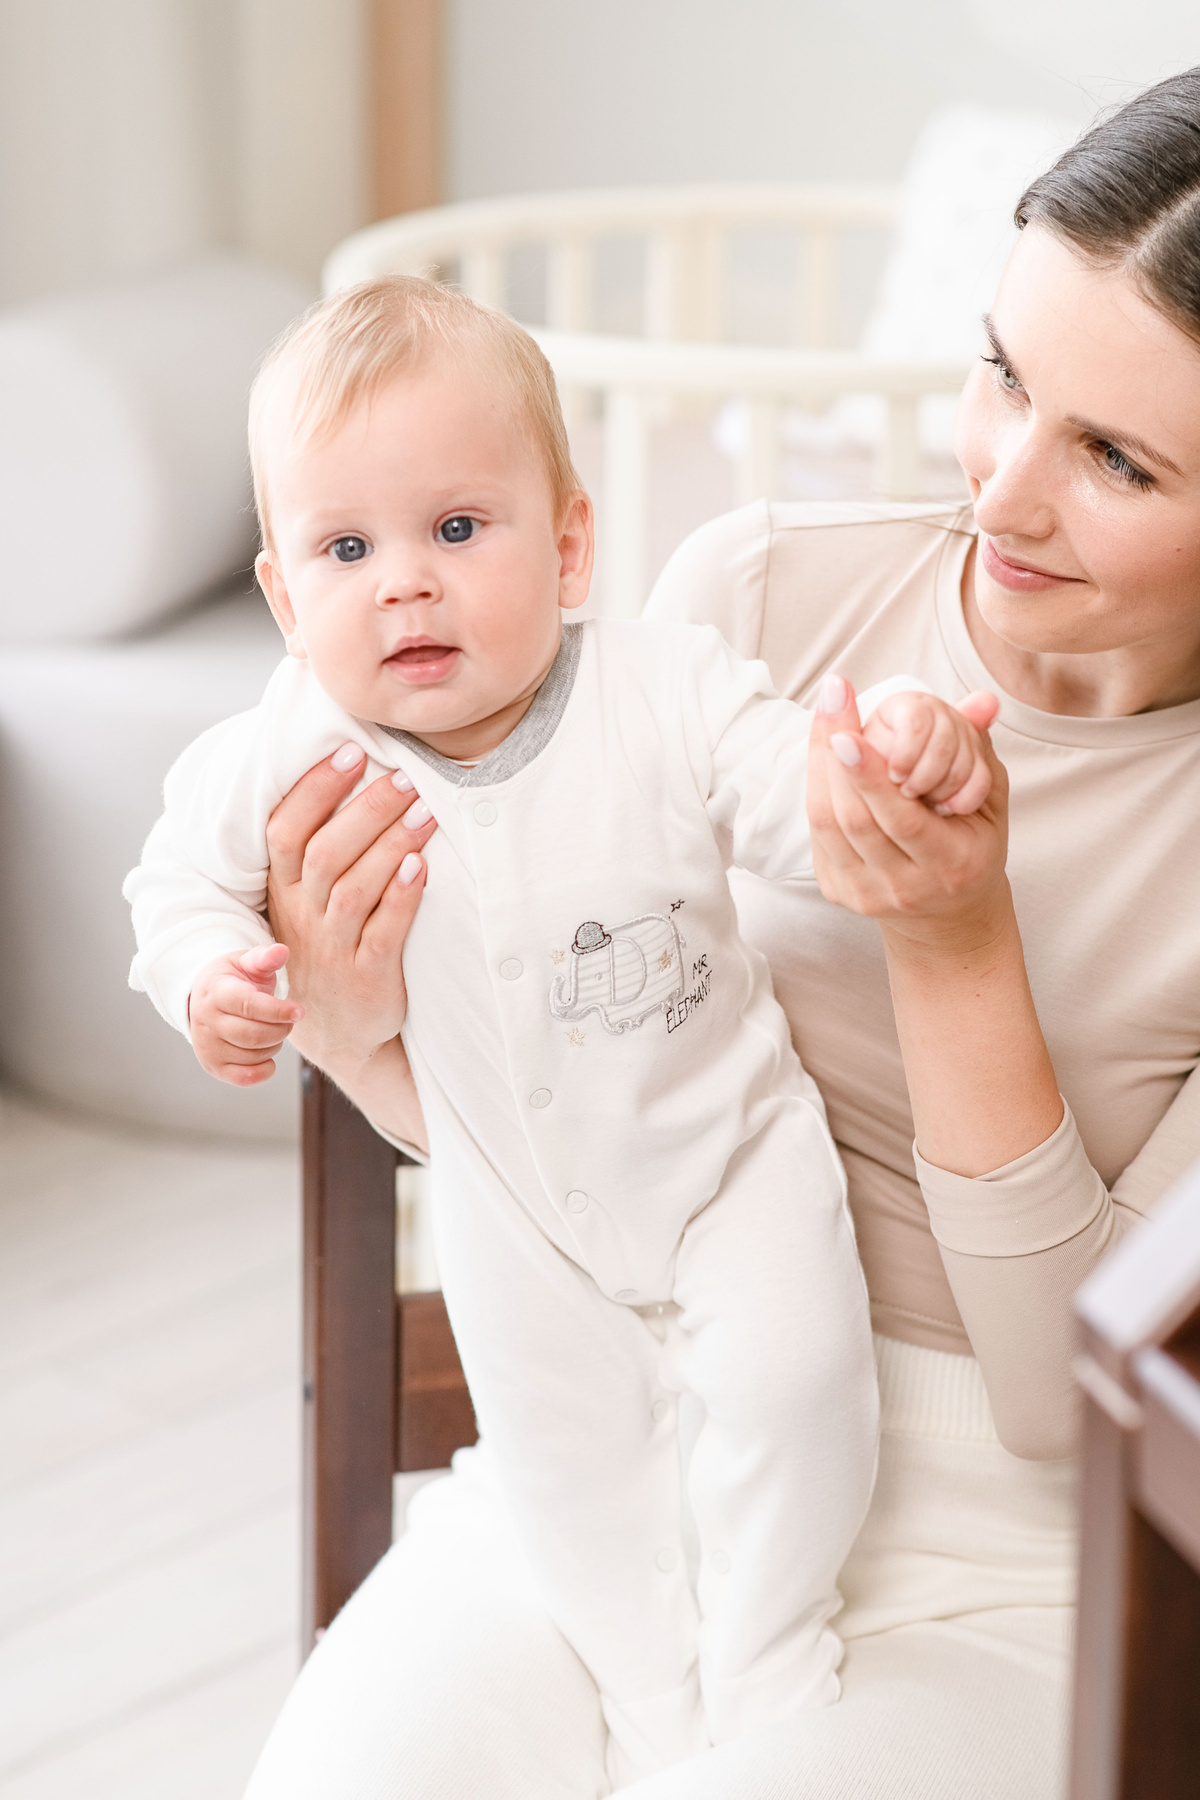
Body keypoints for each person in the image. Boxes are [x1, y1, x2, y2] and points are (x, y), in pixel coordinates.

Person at [228, 68, 1200, 1798]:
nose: (1005, 493)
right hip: (609, 1439)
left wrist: (956, 943)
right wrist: (358, 1021)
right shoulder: (759, 598)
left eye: (1117, 458)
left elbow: (1074, 1405)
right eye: (1003, 376)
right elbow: (563, 1099)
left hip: (1019, 1567)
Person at [123, 279, 995, 1785]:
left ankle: (773, 1656)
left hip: (732, 1163)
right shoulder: (284, 749)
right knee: (567, 1471)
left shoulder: (662, 690)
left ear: (571, 544)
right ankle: (654, 1706)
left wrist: (885, 765)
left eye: (458, 531)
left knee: (798, 1390)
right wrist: (210, 973)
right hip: (516, 1217)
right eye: (348, 549)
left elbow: (798, 798)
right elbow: (173, 880)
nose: (405, 584)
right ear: (283, 596)